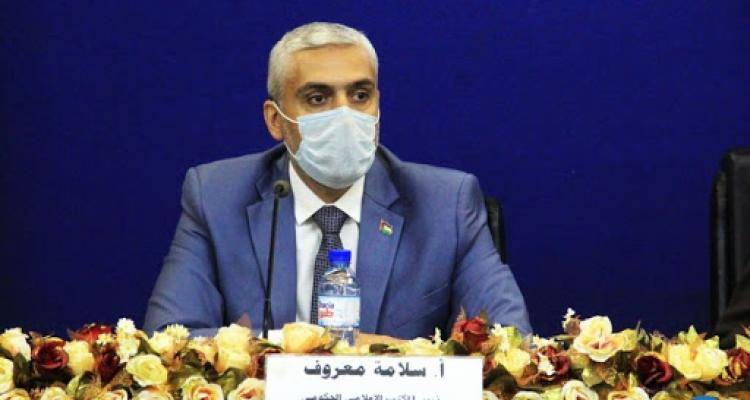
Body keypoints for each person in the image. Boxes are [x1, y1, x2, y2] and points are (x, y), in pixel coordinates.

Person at [144, 22, 531, 338]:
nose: (345, 114)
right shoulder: (215, 197)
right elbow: (170, 340)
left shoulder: (446, 204)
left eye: (360, 95)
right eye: (318, 98)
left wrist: (378, 356)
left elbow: (510, 341)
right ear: (275, 120)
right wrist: (302, 351)